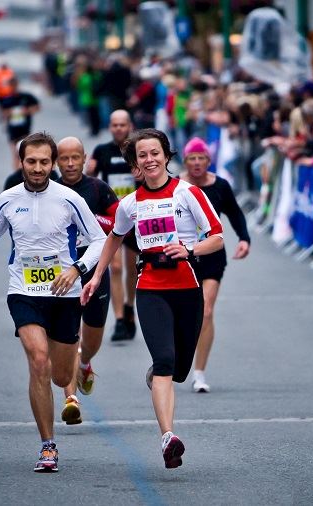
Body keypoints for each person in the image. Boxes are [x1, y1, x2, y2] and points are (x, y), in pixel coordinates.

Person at [0, 132, 106, 473]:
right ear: (21, 162)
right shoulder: (7, 199)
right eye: (32, 161)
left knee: (59, 376)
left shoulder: (69, 199)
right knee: (38, 361)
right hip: (24, 292)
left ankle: (74, 372)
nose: (38, 168)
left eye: (45, 162)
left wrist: (76, 269)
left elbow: (100, 241)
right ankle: (47, 446)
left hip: (64, 294)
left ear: (53, 163)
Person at [81, 129, 224, 469]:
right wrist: (98, 275)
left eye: (155, 153)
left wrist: (189, 250)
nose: (150, 159)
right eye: (142, 155)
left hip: (188, 288)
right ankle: (167, 438)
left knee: (178, 369)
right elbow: (113, 238)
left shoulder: (188, 193)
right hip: (150, 288)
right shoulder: (130, 203)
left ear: (166, 156)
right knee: (164, 362)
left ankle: (162, 373)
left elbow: (217, 237)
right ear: (136, 165)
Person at [54, 136, 120, 424]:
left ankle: (84, 362)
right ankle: (71, 399)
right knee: (68, 334)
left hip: (94, 271)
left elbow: (121, 224)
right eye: (64, 158)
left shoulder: (98, 188)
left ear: (84, 159)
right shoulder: (48, 190)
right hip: (61, 274)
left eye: (75, 158)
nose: (69, 164)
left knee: (91, 339)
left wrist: (91, 220)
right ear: (57, 161)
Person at [179, 138, 250, 393]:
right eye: (192, 158)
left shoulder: (219, 185)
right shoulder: (176, 186)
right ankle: (172, 360)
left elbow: (235, 212)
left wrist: (244, 238)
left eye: (201, 158)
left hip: (211, 255)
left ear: (209, 161)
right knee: (183, 313)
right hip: (182, 256)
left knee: (206, 311)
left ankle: (199, 373)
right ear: (185, 161)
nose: (197, 163)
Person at [88, 110, 138, 341]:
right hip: (113, 217)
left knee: (133, 268)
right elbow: (90, 178)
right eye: (114, 125)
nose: (118, 129)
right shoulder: (102, 151)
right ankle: (119, 319)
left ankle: (129, 307)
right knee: (115, 268)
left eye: (122, 125)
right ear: (110, 127)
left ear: (130, 126)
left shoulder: (138, 149)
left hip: (136, 216)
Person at [0, 76, 40, 169]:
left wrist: (27, 111)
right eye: (11, 85)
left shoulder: (26, 97)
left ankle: (24, 172)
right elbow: (3, 113)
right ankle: (17, 175)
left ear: (17, 85)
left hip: (25, 129)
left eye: (15, 85)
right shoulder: (7, 99)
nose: (13, 87)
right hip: (13, 129)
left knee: (25, 153)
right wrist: (10, 113)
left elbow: (37, 107)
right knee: (15, 153)